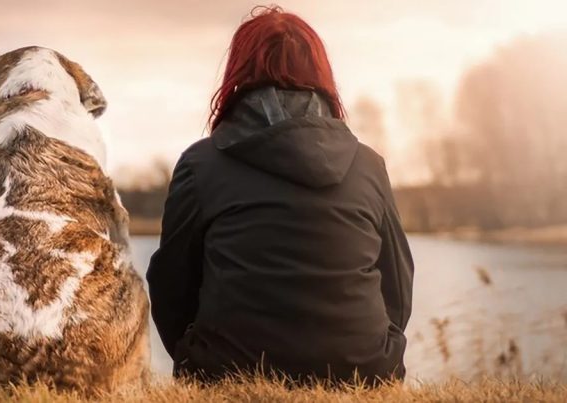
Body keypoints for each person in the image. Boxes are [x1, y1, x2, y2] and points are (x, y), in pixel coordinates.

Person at [146, 6, 414, 385]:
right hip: (364, 372)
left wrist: (197, 356)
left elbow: (171, 285)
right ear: (321, 74)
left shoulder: (201, 164)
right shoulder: (368, 165)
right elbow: (398, 287)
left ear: (238, 74)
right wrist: (373, 351)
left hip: (226, 372)